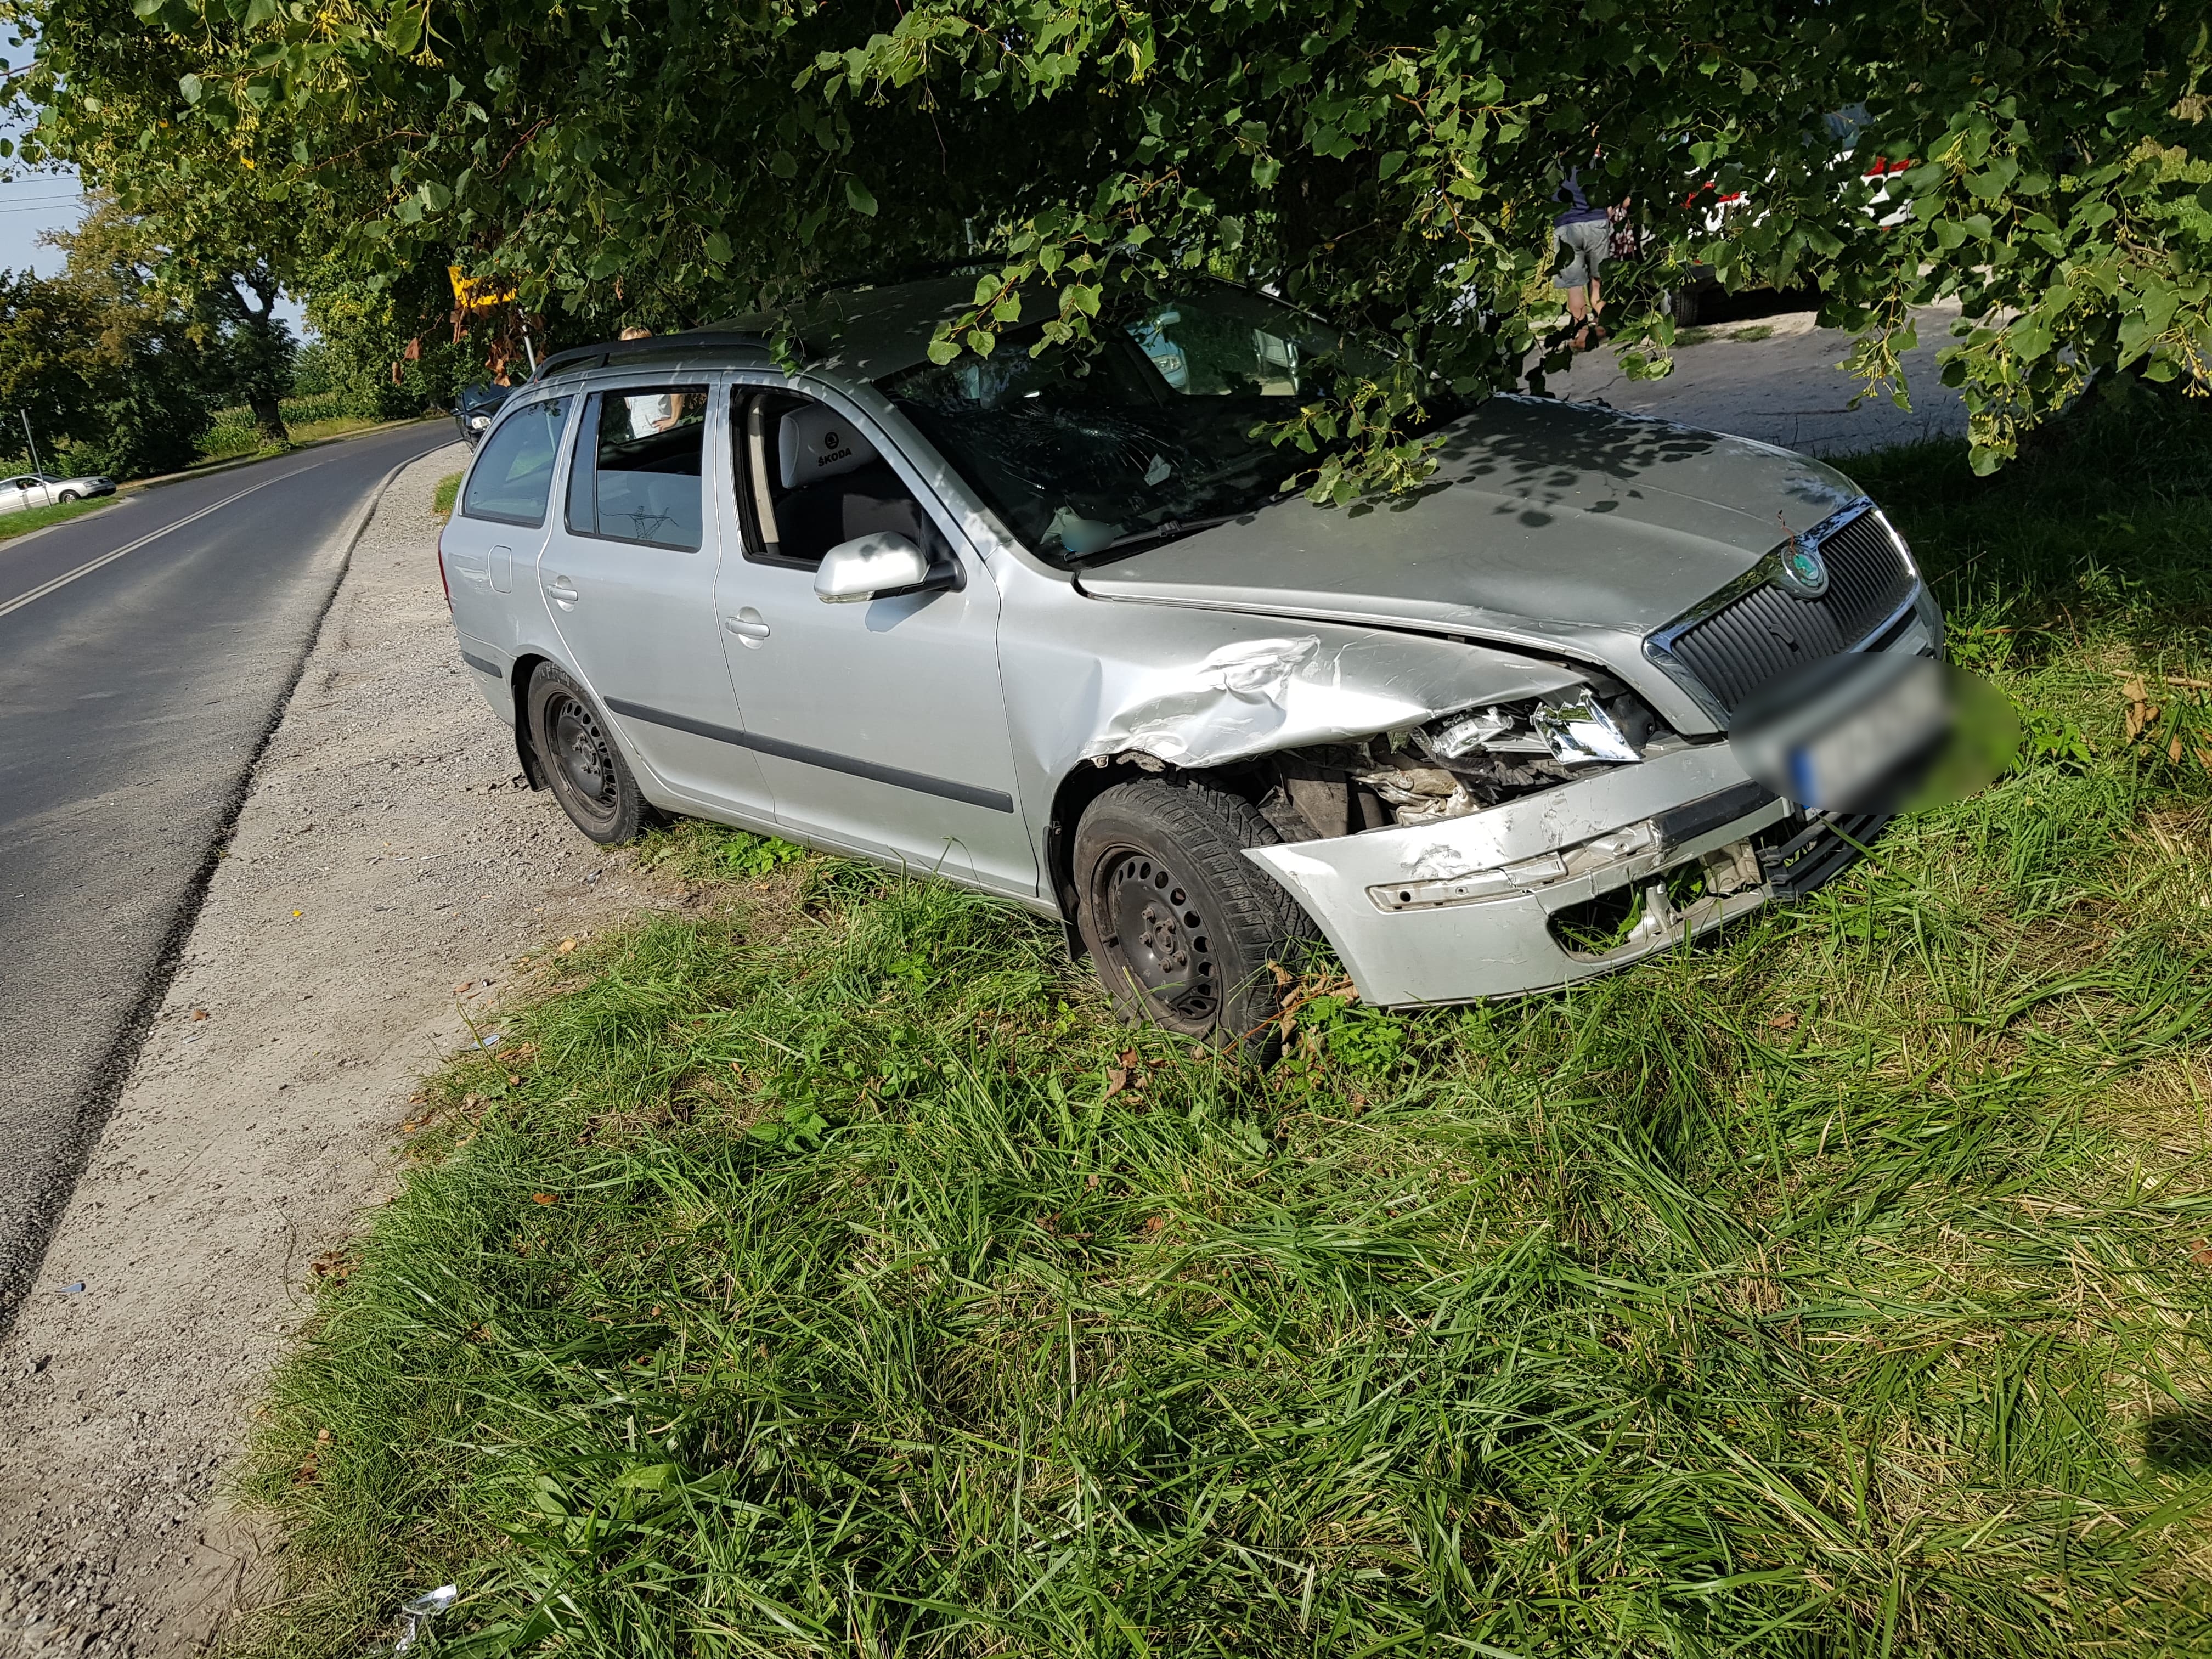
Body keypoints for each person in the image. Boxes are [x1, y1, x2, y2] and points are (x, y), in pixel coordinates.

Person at [1551, 163, 1612, 349]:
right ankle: (1605, 324)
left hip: (1566, 226)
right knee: (1598, 281)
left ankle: (1583, 334)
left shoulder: (1552, 166)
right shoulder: (1593, 160)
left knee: (1575, 287)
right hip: (1597, 222)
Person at [617, 325, 676, 437]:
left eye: (631, 348)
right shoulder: (628, 377)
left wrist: (673, 420)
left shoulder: (657, 370)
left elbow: (678, 390)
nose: (627, 353)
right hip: (643, 439)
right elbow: (631, 407)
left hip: (664, 436)